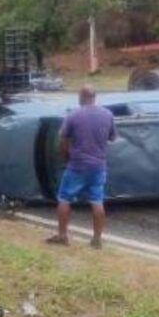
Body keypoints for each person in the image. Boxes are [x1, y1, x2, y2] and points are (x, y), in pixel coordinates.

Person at [46, 84, 115, 249]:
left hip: (76, 166)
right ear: (94, 97)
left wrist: (66, 158)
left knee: (64, 198)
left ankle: (63, 236)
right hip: (98, 166)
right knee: (97, 201)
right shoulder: (107, 114)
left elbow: (63, 142)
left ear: (81, 97)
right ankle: (97, 239)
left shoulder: (73, 115)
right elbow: (112, 138)